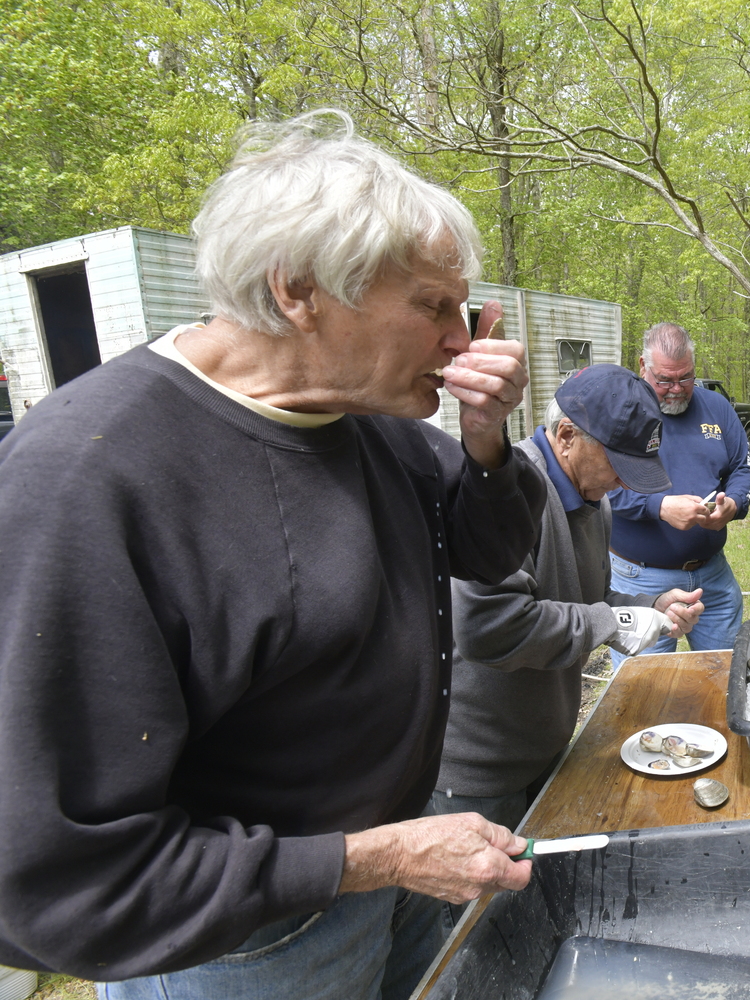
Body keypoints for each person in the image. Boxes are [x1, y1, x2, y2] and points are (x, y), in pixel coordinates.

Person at [0, 111, 551, 1000]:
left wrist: (486, 440)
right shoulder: (88, 479)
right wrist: (376, 857)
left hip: (399, 871)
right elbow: (52, 875)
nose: (464, 341)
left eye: (463, 307)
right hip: (242, 947)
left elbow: (489, 551)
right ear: (297, 291)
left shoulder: (367, 416)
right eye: (432, 307)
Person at [434, 363, 703, 853]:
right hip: (480, 773)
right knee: (480, 920)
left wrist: (651, 604)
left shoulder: (592, 497)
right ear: (566, 436)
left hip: (546, 750)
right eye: (617, 465)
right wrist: (614, 621)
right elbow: (488, 627)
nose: (623, 484)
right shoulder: (506, 494)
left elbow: (587, 603)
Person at [607, 322, 750, 661]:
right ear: (644, 367)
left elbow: (743, 469)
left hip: (712, 578)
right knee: (644, 693)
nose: (676, 389)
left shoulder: (717, 409)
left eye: (685, 377)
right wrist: (659, 506)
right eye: (665, 380)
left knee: (723, 681)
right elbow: (598, 486)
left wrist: (733, 503)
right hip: (639, 581)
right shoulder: (619, 412)